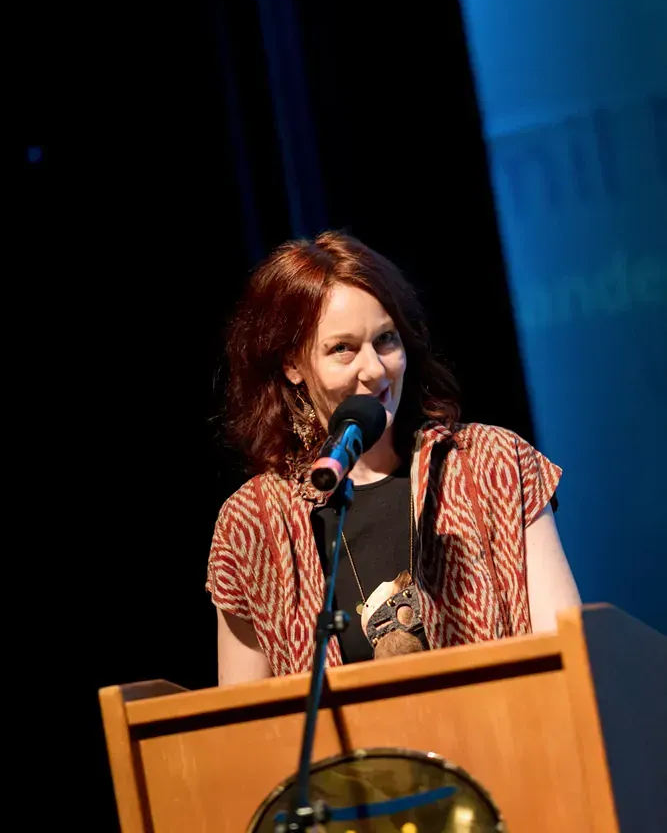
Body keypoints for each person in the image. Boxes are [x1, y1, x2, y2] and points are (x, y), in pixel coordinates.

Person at [206, 231, 581, 686]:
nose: (375, 370)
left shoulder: (495, 463)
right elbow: (239, 725)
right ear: (292, 365)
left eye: (385, 340)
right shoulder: (254, 523)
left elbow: (570, 660)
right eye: (342, 348)